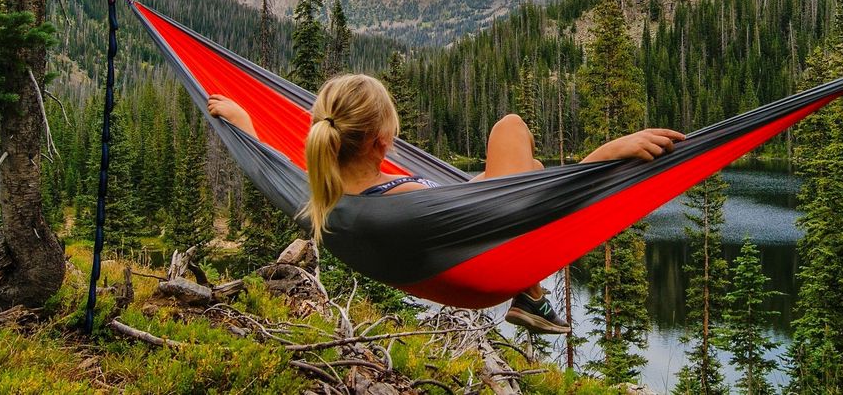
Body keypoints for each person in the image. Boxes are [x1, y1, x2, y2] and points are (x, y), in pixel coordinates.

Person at [208, 73, 684, 335]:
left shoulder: (320, 195)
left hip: (453, 239)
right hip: (482, 269)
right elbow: (529, 212)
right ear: (381, 140)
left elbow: (271, 166)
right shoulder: (405, 204)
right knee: (511, 127)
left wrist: (244, 122)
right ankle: (530, 293)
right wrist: (603, 158)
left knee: (531, 166)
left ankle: (533, 295)